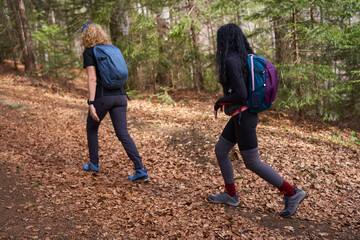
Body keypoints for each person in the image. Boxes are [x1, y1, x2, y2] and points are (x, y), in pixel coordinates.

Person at [208, 23, 306, 218]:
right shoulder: (243, 57)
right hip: (241, 116)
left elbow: (242, 93)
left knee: (252, 161)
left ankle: (292, 193)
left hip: (244, 116)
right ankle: (230, 194)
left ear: (225, 40)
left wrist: (220, 101)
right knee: (221, 150)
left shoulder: (230, 60)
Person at [81, 22, 149, 182]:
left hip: (103, 97)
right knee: (122, 132)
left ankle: (94, 164)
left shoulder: (89, 52)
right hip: (120, 96)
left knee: (91, 128)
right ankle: (140, 169)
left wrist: (91, 102)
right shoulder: (112, 50)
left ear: (85, 36)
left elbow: (92, 78)